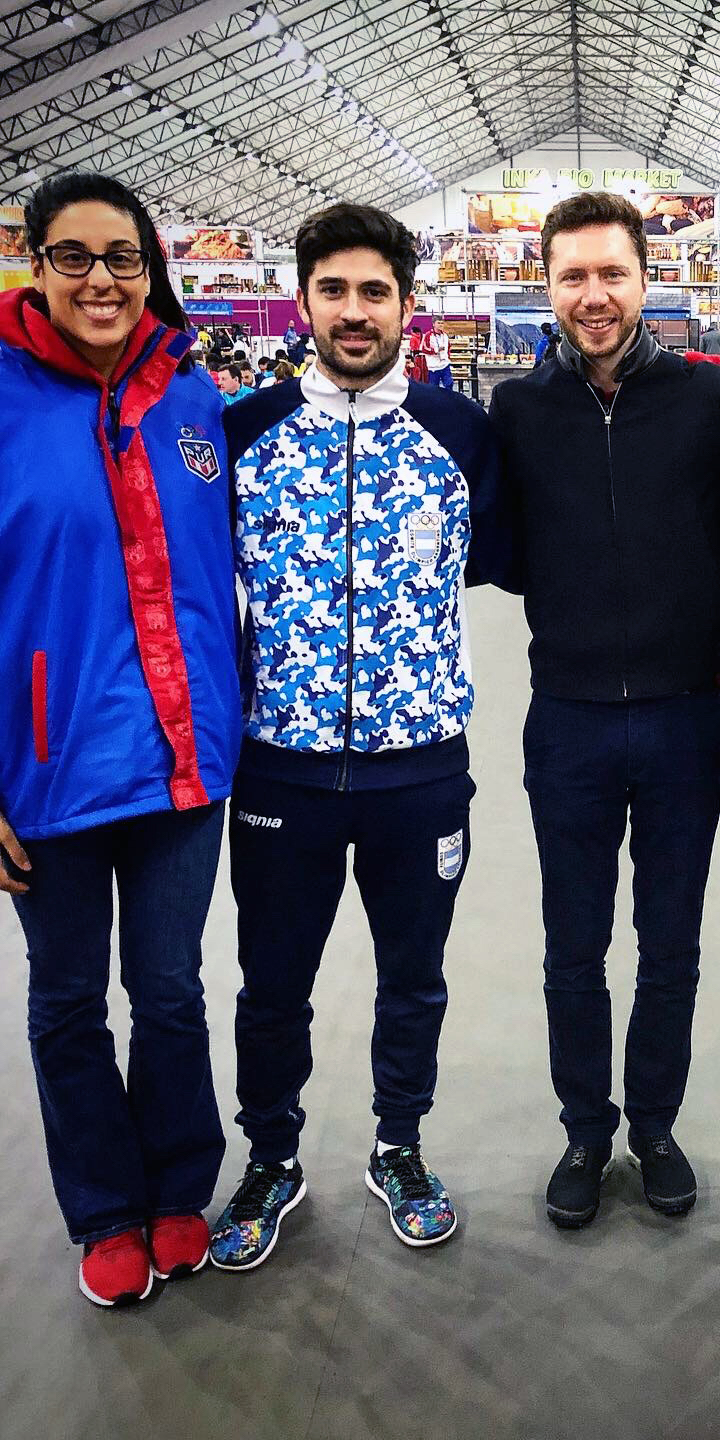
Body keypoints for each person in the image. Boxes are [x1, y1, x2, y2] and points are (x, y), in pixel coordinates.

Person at [207, 202, 514, 1272]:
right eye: (333, 290)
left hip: (420, 772)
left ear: (406, 306)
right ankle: (272, 1157)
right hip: (278, 766)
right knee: (271, 982)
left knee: (413, 977)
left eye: (373, 291)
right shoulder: (240, 433)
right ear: (302, 301)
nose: (352, 311)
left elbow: (501, 560)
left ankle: (400, 1144)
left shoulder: (462, 432)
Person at [487, 191, 720, 1231]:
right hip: (565, 721)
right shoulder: (517, 412)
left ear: (647, 280)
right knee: (573, 947)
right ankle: (584, 1128)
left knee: (672, 943)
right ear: (546, 287)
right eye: (573, 277)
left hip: (690, 717)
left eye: (612, 273)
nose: (593, 296)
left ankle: (653, 1123)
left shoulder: (708, 403)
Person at [0, 171, 242, 1307]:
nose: (102, 279)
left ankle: (181, 1188)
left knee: (172, 990)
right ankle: (104, 1210)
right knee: (64, 1003)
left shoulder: (190, 401)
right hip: (43, 774)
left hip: (184, 763)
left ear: (153, 270)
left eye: (124, 257)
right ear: (35, 266)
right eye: (75, 256)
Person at [426, 316, 454, 388]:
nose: (440, 325)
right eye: (438, 323)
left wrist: (448, 358)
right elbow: (424, 349)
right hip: (434, 367)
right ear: (433, 324)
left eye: (442, 323)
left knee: (449, 384)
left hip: (445, 364)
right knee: (433, 388)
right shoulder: (428, 335)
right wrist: (436, 350)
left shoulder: (445, 335)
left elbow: (448, 348)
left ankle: (448, 399)